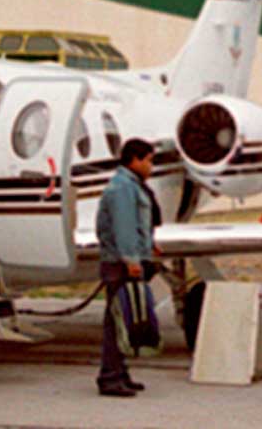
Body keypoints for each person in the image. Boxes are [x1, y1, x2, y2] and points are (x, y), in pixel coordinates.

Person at [95, 138, 156, 397]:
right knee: (117, 322)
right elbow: (123, 227)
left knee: (125, 320)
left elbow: (136, 226)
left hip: (122, 261)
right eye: (149, 160)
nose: (151, 167)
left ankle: (120, 372)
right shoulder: (122, 189)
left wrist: (148, 247)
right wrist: (131, 260)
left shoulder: (129, 185)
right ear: (135, 160)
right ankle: (109, 377)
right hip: (120, 265)